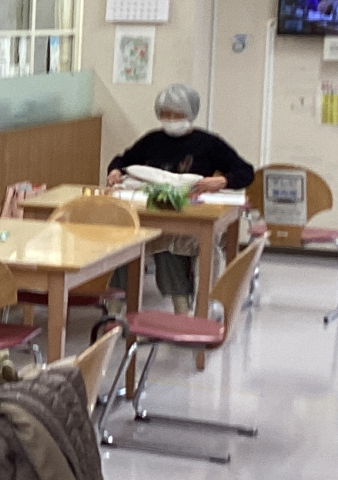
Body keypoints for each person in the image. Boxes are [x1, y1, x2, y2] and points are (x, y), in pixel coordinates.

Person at [106, 82, 254, 312]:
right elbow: (123, 160)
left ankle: (183, 310)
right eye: (165, 115)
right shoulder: (152, 140)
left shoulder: (208, 144)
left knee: (171, 248)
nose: (171, 120)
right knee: (128, 245)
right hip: (152, 214)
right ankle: (114, 308)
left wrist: (223, 181)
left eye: (177, 115)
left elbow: (245, 172)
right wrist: (115, 171)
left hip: (191, 218)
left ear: (190, 114)